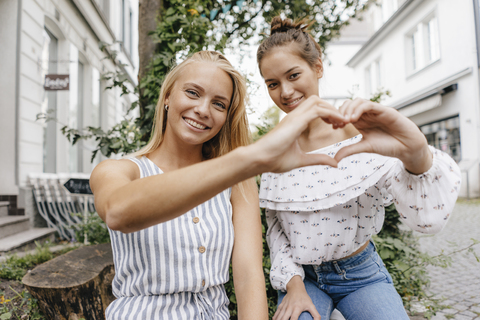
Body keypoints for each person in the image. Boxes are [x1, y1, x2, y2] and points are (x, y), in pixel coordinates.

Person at [90, 51, 346, 319]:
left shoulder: (239, 181)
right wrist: (251, 158)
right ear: (167, 97)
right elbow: (118, 212)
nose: (202, 110)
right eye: (192, 93)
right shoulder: (119, 170)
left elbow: (248, 276)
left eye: (219, 104)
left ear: (226, 117)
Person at [256, 17, 461, 320]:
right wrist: (293, 284)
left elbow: (426, 219)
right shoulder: (274, 146)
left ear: (318, 67)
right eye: (273, 84)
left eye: (293, 75)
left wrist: (416, 153)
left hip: (362, 273)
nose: (285, 92)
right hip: (303, 279)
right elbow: (277, 229)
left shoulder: (361, 133)